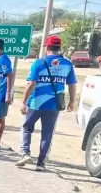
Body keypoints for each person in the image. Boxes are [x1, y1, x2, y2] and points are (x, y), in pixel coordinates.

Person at [17, 35, 77, 171]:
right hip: (54, 104)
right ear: (59, 48)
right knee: (47, 133)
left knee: (27, 128)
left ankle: (25, 153)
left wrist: (24, 102)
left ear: (47, 47)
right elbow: (72, 84)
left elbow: (31, 84)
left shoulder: (39, 63)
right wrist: (72, 101)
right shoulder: (67, 64)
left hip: (36, 103)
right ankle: (41, 163)